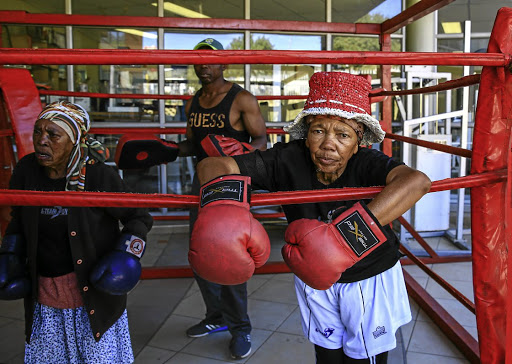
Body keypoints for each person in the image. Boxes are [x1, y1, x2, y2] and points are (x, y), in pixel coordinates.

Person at [191, 72, 432, 363]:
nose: (328, 144)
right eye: (319, 131)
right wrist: (223, 211)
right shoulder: (287, 158)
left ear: (358, 141)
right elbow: (214, 165)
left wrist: (341, 240)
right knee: (326, 357)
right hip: (313, 279)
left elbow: (416, 181)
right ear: (307, 134)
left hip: (368, 277)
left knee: (364, 359)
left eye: (343, 134)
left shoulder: (368, 162)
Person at [0, 101, 153, 363]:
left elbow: (138, 217)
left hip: (90, 295)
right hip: (46, 295)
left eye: (53, 134)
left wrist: (126, 255)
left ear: (74, 141)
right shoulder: (27, 171)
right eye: (38, 131)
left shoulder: (97, 176)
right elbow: (18, 218)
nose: (41, 141)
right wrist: (9, 254)